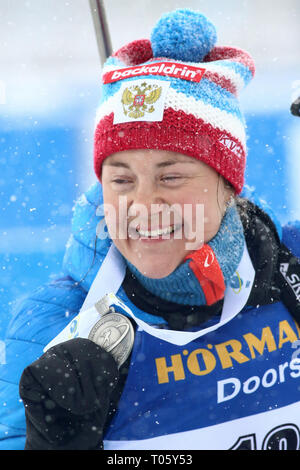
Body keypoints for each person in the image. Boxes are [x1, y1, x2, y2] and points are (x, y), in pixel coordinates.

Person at [1, 8, 300, 451]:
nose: (142, 206)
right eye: (121, 180)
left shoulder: (288, 267)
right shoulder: (57, 323)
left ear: (227, 184)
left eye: (171, 177)